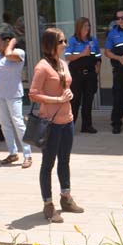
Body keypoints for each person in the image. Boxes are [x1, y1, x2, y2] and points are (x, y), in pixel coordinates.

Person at [30, 28, 84, 223]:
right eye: (62, 41)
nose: (65, 44)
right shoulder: (42, 67)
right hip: (51, 123)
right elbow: (33, 94)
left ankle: (66, 198)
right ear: (52, 44)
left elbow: (65, 87)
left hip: (67, 120)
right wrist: (57, 98)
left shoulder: (63, 63)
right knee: (48, 164)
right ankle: (48, 204)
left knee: (64, 160)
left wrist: (68, 94)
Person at [0, 32, 32, 168]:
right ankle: (12, 152)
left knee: (18, 123)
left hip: (13, 93)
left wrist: (13, 42)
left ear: (7, 41)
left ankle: (27, 155)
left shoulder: (18, 52)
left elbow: (9, 55)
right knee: (4, 124)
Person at [65, 17, 102, 134]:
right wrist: (82, 54)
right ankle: (70, 126)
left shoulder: (93, 40)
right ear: (79, 27)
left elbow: (98, 56)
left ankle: (87, 126)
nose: (88, 28)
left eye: (88, 25)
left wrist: (98, 67)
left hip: (90, 75)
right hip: (77, 75)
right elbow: (68, 57)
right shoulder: (72, 40)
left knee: (88, 101)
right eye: (85, 26)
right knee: (75, 101)